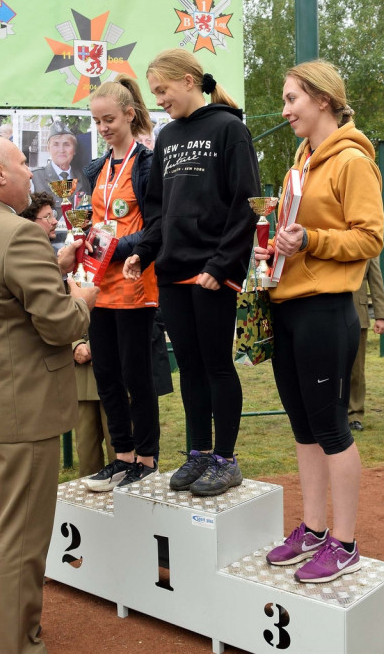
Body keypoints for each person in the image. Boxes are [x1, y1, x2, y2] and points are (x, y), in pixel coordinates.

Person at [0, 135, 97, 654]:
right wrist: (82, 299)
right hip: (23, 410)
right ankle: (18, 645)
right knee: (22, 541)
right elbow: (58, 325)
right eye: (22, 164)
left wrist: (53, 269)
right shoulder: (19, 236)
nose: (31, 172)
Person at [255, 60, 383, 583]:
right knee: (303, 424)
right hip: (287, 304)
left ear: (324, 100)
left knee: (330, 425)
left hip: (326, 309)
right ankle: (311, 528)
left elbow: (370, 238)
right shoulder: (300, 162)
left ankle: (346, 542)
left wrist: (311, 240)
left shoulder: (352, 160)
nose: (285, 110)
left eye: (292, 100)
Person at [123, 48, 260, 496]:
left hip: (212, 272)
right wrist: (143, 253)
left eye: (162, 90)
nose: (159, 99)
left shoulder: (229, 128)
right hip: (173, 273)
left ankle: (226, 459)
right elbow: (160, 212)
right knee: (191, 370)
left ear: (187, 80)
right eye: (155, 92)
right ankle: (199, 453)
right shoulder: (166, 138)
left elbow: (246, 205)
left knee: (218, 365)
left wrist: (220, 266)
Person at [71, 76, 164, 492]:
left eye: (109, 119)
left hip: (134, 282)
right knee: (106, 373)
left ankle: (146, 458)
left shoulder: (147, 163)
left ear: (130, 114)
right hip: (98, 287)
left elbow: (154, 228)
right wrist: (84, 243)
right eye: (96, 121)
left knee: (136, 376)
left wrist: (108, 245)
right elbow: (94, 223)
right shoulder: (95, 168)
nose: (103, 127)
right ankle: (122, 457)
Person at [20, 192, 112, 476]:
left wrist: (102, 343)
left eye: (54, 216)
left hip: (112, 360)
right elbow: (52, 307)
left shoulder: (104, 251)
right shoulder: (45, 259)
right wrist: (76, 345)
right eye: (48, 217)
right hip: (79, 367)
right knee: (87, 451)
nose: (54, 222)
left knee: (121, 444)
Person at [349, 258, 384, 431]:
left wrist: (381, 316)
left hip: (358, 316)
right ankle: (331, 413)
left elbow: (376, 282)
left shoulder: (367, 245)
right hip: (328, 316)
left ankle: (354, 415)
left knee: (356, 370)